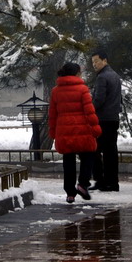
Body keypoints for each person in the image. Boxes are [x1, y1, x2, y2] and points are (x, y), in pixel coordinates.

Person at [48, 62, 101, 203]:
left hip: (64, 131)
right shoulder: (83, 89)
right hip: (82, 130)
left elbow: (52, 114)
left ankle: (70, 193)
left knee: (68, 161)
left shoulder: (55, 91)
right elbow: (89, 112)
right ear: (77, 73)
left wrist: (53, 132)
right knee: (88, 156)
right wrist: (95, 128)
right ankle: (83, 183)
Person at [90, 49, 121, 192]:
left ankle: (101, 180)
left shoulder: (102, 77)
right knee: (111, 152)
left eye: (96, 61)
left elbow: (99, 100)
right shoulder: (115, 75)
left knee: (95, 150)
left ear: (105, 60)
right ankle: (112, 182)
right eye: (92, 62)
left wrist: (89, 109)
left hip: (102, 119)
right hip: (113, 118)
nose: (94, 64)